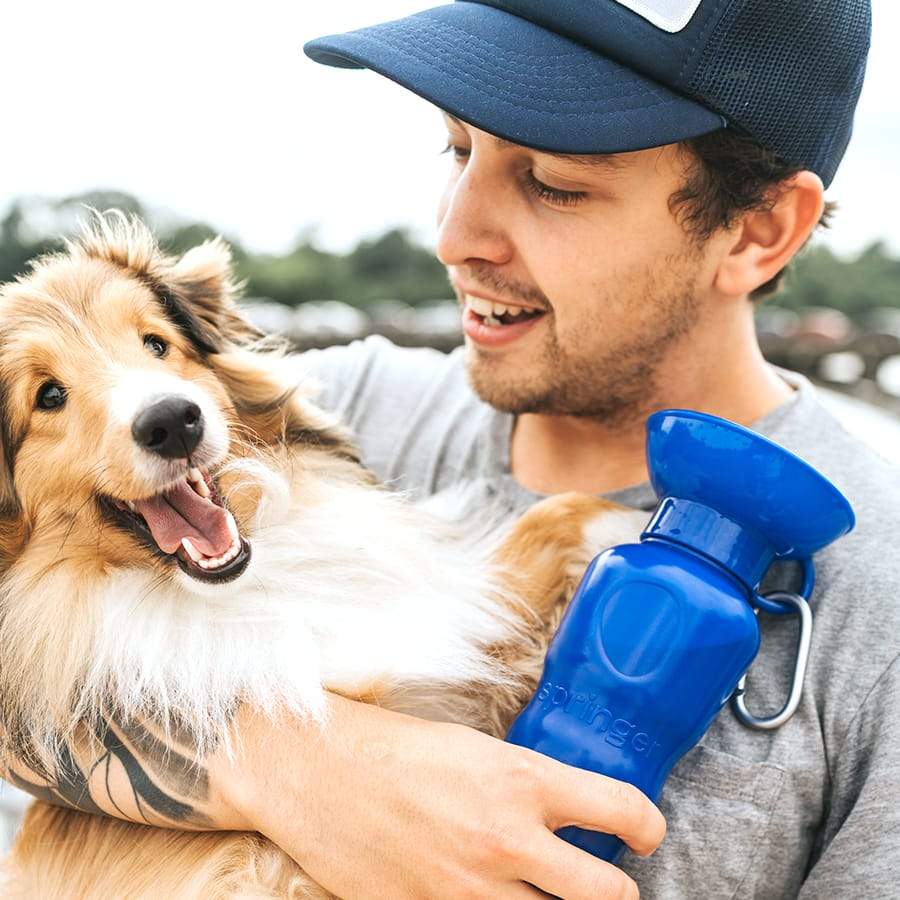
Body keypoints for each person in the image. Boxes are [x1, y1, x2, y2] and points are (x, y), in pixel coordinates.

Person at [5, 1, 899, 898]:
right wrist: (310, 772)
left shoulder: (880, 603)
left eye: (553, 181)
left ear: (757, 230)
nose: (455, 238)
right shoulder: (306, 417)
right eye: (459, 150)